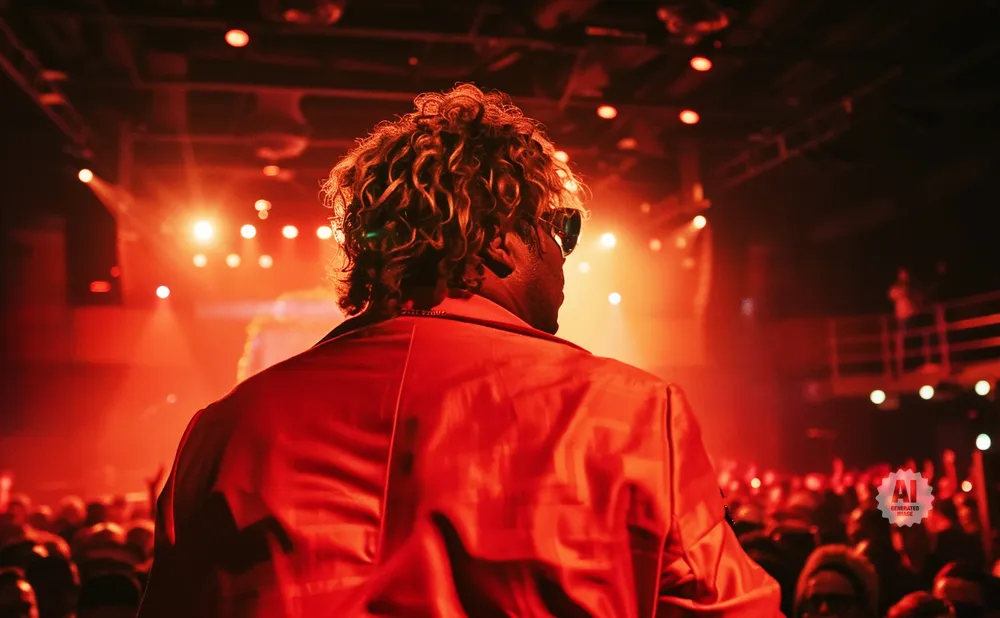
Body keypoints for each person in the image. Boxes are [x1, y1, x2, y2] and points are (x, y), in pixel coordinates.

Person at [138, 84, 780, 617]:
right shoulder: (635, 416)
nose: (566, 259)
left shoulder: (225, 430)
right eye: (562, 230)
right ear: (499, 238)